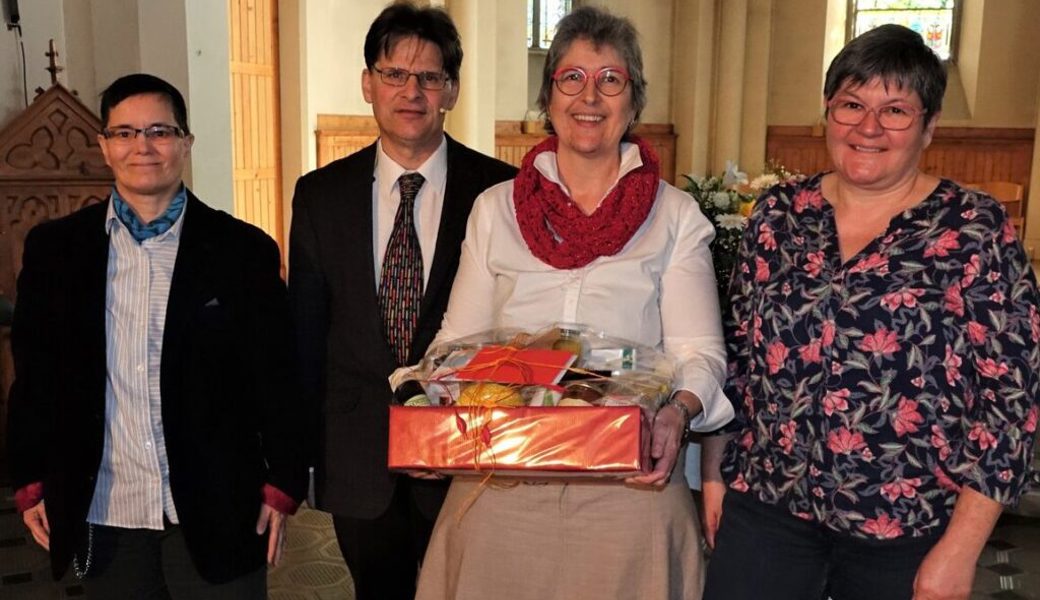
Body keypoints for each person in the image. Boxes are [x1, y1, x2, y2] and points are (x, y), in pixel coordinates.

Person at [702, 24, 1040, 600]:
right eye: (852, 104)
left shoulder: (972, 229)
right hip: (767, 507)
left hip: (908, 524)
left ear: (930, 125)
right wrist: (715, 474)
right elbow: (738, 356)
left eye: (896, 111)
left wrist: (960, 549)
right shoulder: (779, 216)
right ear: (828, 113)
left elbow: (1011, 399)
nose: (868, 128)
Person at [406, 6, 733, 599]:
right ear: (549, 96)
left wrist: (677, 411)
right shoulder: (495, 210)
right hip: (502, 486)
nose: (591, 96)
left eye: (611, 79)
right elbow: (454, 345)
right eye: (572, 77)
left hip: (627, 488)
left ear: (634, 102)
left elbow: (700, 354)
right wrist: (427, 403)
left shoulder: (675, 216)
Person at [7, 73, 307, 598]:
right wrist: (29, 478)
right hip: (107, 505)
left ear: (185, 143)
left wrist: (284, 483)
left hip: (219, 506)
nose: (142, 146)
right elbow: (34, 375)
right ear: (104, 147)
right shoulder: (56, 251)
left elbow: (279, 378)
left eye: (160, 131)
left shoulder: (242, 251)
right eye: (124, 133)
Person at [286, 3, 517, 599]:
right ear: (368, 84)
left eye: (429, 78)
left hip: (468, 453)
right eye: (394, 74)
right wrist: (298, 461)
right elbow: (307, 336)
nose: (410, 91)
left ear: (451, 91)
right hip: (358, 455)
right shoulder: (320, 195)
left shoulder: (498, 192)